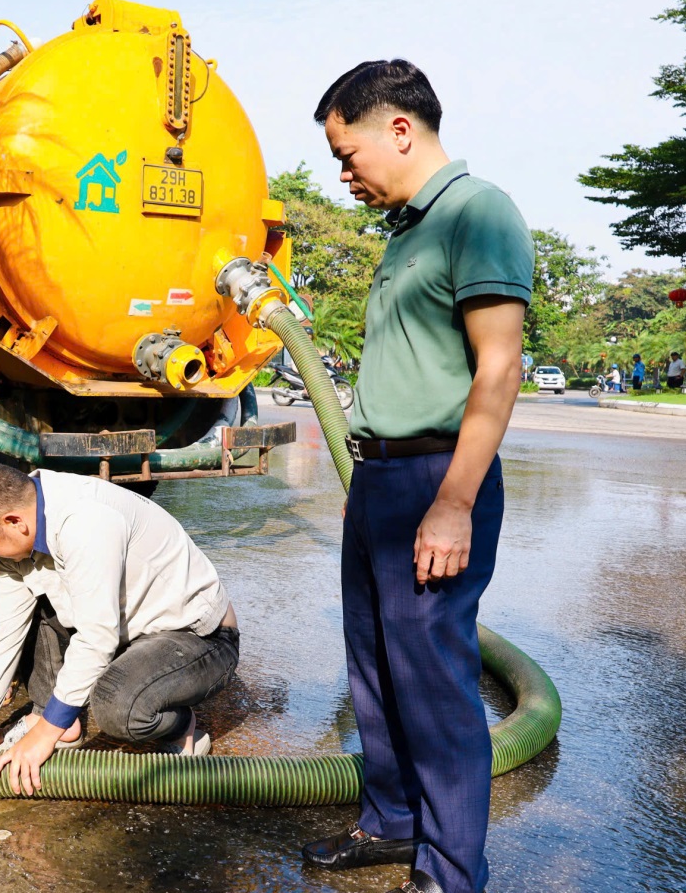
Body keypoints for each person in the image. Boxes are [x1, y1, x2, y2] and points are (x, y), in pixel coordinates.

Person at [299, 60, 532, 893]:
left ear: (400, 129)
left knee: (434, 680)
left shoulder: (478, 212)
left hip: (438, 476)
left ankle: (449, 870)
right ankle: (392, 820)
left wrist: (455, 501)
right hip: (380, 480)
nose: (344, 172)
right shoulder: (405, 230)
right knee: (375, 666)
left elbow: (498, 368)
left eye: (346, 151)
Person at [0, 462, 241, 789]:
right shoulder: (21, 522)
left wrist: (43, 737)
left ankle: (182, 727)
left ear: (14, 521)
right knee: (31, 604)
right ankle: (54, 720)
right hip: (126, 628)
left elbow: (97, 637)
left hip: (198, 639)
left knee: (117, 708)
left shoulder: (85, 521)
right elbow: (3, 635)